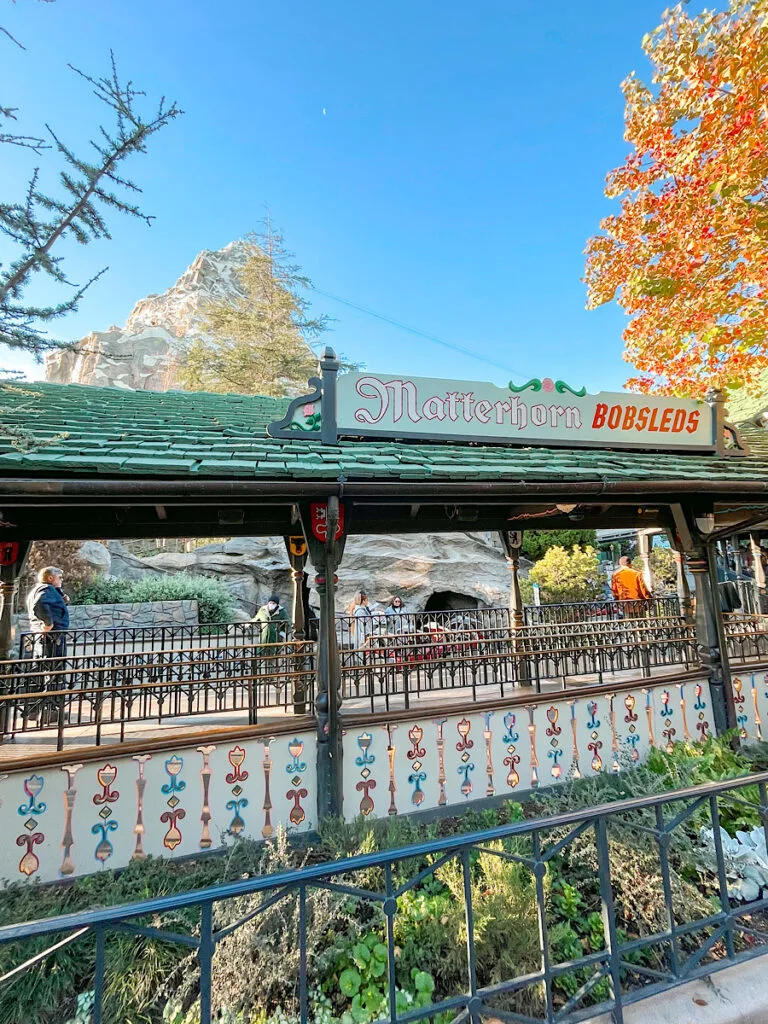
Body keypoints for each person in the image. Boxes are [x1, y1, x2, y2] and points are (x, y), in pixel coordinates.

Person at [25, 566, 70, 723]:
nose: (61, 580)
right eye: (60, 577)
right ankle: (50, 710)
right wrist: (47, 625)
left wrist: (62, 601)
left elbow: (49, 606)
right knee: (54, 673)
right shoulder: (46, 590)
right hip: (52, 638)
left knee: (41, 671)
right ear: (51, 578)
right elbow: (40, 605)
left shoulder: (44, 590)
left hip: (44, 638)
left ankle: (34, 710)